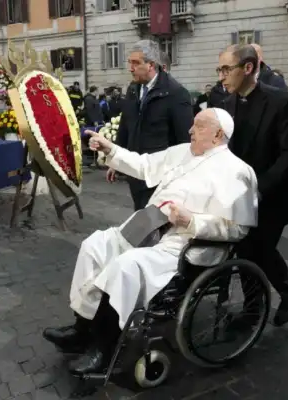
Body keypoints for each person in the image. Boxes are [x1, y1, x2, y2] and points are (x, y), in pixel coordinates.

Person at [43, 108, 259, 376]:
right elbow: (144, 165)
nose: (191, 131)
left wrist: (192, 220)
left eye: (199, 127)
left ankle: (103, 348)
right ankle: (82, 328)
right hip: (146, 225)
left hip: (182, 243)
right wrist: (111, 149)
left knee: (124, 267)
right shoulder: (183, 151)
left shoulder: (238, 172)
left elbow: (238, 229)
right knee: (94, 245)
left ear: (218, 134)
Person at [217, 44, 288, 328]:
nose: (221, 77)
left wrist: (259, 189)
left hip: (274, 194)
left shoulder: (283, 101)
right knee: (244, 249)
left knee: (260, 247)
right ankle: (253, 310)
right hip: (239, 195)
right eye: (219, 70)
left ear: (247, 68)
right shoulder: (227, 103)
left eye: (226, 69)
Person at [110, 40, 193, 210]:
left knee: (156, 227)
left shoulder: (176, 93)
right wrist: (115, 160)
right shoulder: (133, 89)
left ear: (151, 65)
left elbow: (184, 140)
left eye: (136, 63)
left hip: (159, 177)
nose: (130, 68)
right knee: (139, 220)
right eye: (129, 62)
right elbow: (125, 126)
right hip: (135, 172)